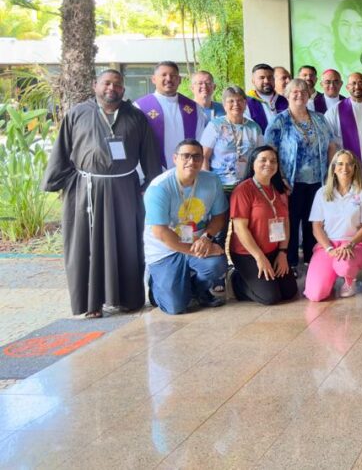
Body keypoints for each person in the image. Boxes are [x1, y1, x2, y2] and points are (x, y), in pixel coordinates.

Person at [42, 69, 161, 318]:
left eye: (117, 85)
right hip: (87, 189)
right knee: (85, 245)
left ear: (123, 90)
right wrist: (61, 183)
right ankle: (90, 304)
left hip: (125, 190)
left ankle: (128, 298)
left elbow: (149, 154)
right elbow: (62, 151)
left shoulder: (136, 117)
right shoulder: (77, 113)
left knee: (128, 242)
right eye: (107, 83)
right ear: (95, 84)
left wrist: (149, 184)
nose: (112, 88)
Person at [142, 139, 228, 314]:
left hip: (197, 242)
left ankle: (199, 290)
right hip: (165, 249)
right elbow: (160, 232)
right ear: (175, 159)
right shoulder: (160, 187)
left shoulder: (211, 180)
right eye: (185, 156)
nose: (191, 161)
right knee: (175, 307)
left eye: (197, 156)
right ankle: (156, 284)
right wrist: (196, 251)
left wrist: (207, 238)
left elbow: (220, 216)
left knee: (216, 265)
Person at [264, 78, 336, 269]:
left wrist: (331, 174)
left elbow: (331, 146)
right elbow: (270, 152)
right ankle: (291, 263)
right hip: (290, 182)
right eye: (294, 91)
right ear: (287, 95)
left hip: (318, 181)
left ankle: (314, 262)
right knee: (292, 221)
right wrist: (278, 179)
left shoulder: (320, 118)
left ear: (309, 95)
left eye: (303, 91)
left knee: (314, 221)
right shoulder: (279, 121)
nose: (299, 95)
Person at [229, 146, 298, 305]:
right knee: (270, 297)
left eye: (273, 161)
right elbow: (240, 228)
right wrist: (259, 257)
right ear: (253, 163)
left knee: (289, 292)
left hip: (273, 250)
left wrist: (282, 253)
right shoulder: (243, 190)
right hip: (248, 253)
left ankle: (260, 278)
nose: (269, 164)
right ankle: (237, 280)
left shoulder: (280, 190)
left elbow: (286, 223)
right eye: (263, 160)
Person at [305, 150, 362, 301]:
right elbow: (316, 227)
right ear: (334, 168)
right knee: (315, 295)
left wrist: (350, 244)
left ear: (355, 168)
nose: (345, 168)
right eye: (340, 164)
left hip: (354, 244)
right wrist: (329, 248)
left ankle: (349, 281)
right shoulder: (322, 193)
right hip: (328, 245)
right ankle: (328, 278)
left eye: (350, 164)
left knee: (344, 265)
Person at [134, 61, 204, 172]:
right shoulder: (140, 107)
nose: (169, 79)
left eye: (173, 76)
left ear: (179, 80)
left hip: (187, 170)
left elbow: (200, 140)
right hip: (152, 171)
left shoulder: (193, 108)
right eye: (164, 75)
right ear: (154, 79)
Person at [200, 85, 265, 194]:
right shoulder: (215, 126)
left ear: (245, 104)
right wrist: (208, 184)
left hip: (248, 186)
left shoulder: (254, 128)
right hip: (220, 187)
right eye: (231, 101)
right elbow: (204, 156)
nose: (236, 104)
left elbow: (261, 156)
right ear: (224, 105)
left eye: (240, 101)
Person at [247, 63, 288, 132]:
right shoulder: (246, 103)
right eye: (262, 78)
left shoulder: (285, 101)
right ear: (253, 81)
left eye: (270, 77)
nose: (266, 81)